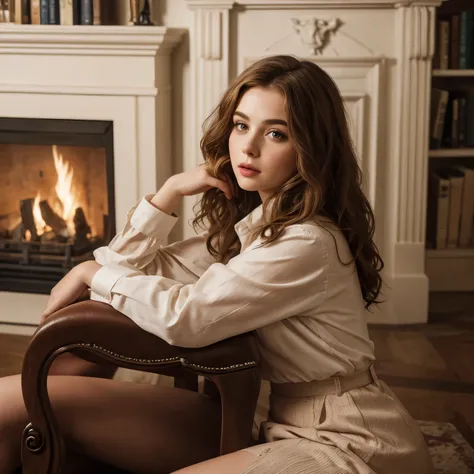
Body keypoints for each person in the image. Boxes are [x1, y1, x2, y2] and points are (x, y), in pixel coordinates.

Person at [0, 55, 434, 474]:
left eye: (276, 134)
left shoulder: (305, 242)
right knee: (13, 404)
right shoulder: (254, 230)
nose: (248, 146)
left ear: (311, 147)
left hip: (343, 439)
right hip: (266, 416)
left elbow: (188, 317)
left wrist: (90, 271)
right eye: (242, 126)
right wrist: (167, 195)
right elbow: (129, 271)